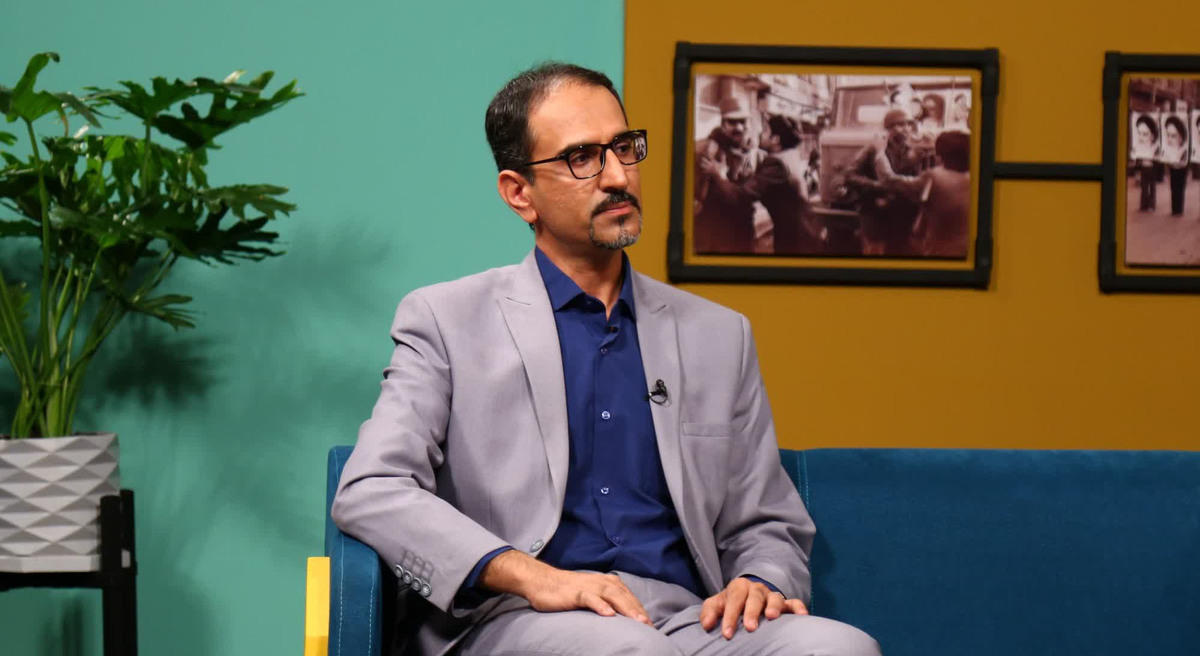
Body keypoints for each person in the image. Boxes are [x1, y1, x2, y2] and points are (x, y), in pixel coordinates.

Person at [331, 62, 881, 656]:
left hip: (688, 622)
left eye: (623, 148)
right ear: (519, 193)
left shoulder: (721, 335)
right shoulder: (446, 320)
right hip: (517, 617)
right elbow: (372, 488)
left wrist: (760, 577)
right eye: (582, 158)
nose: (618, 176)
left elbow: (767, 520)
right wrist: (529, 575)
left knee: (838, 648)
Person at [844, 108, 923, 256]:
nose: (906, 129)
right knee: (875, 252)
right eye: (900, 125)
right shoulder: (874, 149)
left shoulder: (914, 151)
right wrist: (877, 186)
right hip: (875, 211)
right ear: (889, 128)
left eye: (908, 124)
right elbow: (849, 176)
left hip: (901, 214)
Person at [693, 96, 763, 254]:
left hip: (743, 232)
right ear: (723, 124)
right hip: (713, 233)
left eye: (742, 121)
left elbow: (747, 195)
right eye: (732, 122)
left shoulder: (753, 153)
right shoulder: (705, 149)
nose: (739, 127)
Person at [752, 114, 823, 255]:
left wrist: (715, 173)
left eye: (765, 130)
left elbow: (746, 192)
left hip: (794, 238)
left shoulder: (776, 162)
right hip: (804, 231)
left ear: (775, 139)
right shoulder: (790, 156)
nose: (760, 133)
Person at [910, 131, 971, 258]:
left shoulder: (935, 177)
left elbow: (893, 181)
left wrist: (880, 155)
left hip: (941, 252)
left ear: (940, 157)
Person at [1132, 113, 1162, 212]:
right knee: (1144, 186)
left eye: (1145, 134)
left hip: (1152, 168)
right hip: (1144, 168)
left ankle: (1151, 205)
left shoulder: (1155, 148)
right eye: (1139, 133)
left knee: (1152, 187)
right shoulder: (1139, 148)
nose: (1141, 138)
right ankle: (1144, 205)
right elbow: (1137, 159)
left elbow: (1158, 159)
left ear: (1152, 136)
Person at [1162, 114, 1189, 217]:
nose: (1169, 139)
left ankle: (1179, 209)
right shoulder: (1167, 151)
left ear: (1181, 137)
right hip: (1173, 167)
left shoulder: (1184, 151)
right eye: (1168, 135)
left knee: (1180, 188)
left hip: (1181, 168)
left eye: (1173, 136)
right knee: (1173, 188)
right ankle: (1174, 209)